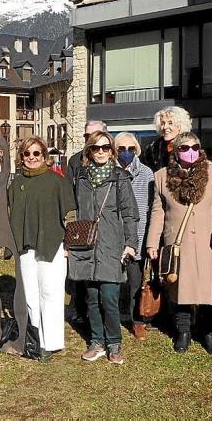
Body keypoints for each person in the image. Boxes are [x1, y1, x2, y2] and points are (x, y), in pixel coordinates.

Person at [146, 132, 212, 354]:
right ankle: (183, 331)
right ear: (175, 151)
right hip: (177, 242)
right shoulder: (161, 176)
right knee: (179, 287)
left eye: (195, 147)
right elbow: (158, 212)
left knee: (207, 288)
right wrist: (152, 242)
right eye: (184, 148)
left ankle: (207, 330)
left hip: (206, 241)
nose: (190, 152)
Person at [68, 131, 139, 364]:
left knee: (109, 296)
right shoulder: (81, 177)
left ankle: (114, 342)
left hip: (111, 244)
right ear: (88, 150)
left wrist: (130, 244)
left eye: (105, 147)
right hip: (86, 245)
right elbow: (73, 209)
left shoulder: (120, 178)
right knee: (91, 296)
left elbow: (130, 214)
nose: (101, 152)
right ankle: (97, 341)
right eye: (96, 148)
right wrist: (69, 240)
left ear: (112, 151)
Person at [8, 137, 76, 362]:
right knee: (31, 295)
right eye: (27, 154)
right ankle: (35, 338)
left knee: (51, 293)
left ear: (44, 156)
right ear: (21, 157)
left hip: (53, 245)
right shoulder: (16, 184)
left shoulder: (57, 181)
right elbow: (7, 210)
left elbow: (70, 215)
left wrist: (70, 243)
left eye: (36, 153)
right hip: (26, 247)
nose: (31, 158)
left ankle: (51, 341)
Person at [64, 120, 107, 324]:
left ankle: (103, 311)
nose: (90, 140)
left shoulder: (109, 161)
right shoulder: (75, 161)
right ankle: (81, 310)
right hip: (82, 223)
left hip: (105, 223)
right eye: (86, 136)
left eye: (95, 135)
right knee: (81, 270)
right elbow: (68, 194)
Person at [113, 132, 155, 341]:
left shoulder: (146, 173)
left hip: (136, 236)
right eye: (121, 149)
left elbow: (150, 207)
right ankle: (109, 317)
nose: (126, 153)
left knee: (135, 284)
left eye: (131, 149)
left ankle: (137, 321)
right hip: (112, 235)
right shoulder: (109, 172)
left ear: (136, 150)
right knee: (110, 282)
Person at [142, 106, 192, 172]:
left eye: (170, 123)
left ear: (180, 125)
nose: (165, 127)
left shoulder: (190, 145)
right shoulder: (152, 148)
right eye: (162, 123)